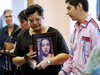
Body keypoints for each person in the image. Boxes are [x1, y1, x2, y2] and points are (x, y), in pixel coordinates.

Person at [12, 4, 69, 75]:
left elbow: (66, 55)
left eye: (37, 19)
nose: (35, 23)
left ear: (43, 17)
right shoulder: (23, 36)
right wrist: (26, 58)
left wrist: (48, 62)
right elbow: (15, 60)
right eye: (31, 21)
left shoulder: (54, 33)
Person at [58, 0, 100, 75]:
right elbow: (71, 58)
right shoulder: (74, 32)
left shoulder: (95, 28)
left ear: (79, 6)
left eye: (69, 8)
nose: (67, 12)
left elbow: (98, 61)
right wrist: (62, 73)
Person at [0, 9, 21, 75]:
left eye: (10, 16)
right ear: (3, 18)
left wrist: (14, 52)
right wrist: (2, 51)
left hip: (16, 64)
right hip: (4, 64)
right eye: (6, 17)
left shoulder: (20, 30)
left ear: (14, 17)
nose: (8, 18)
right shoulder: (1, 31)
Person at [15, 9, 30, 75]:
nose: (20, 25)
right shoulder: (21, 33)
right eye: (20, 22)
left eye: (22, 22)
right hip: (22, 69)